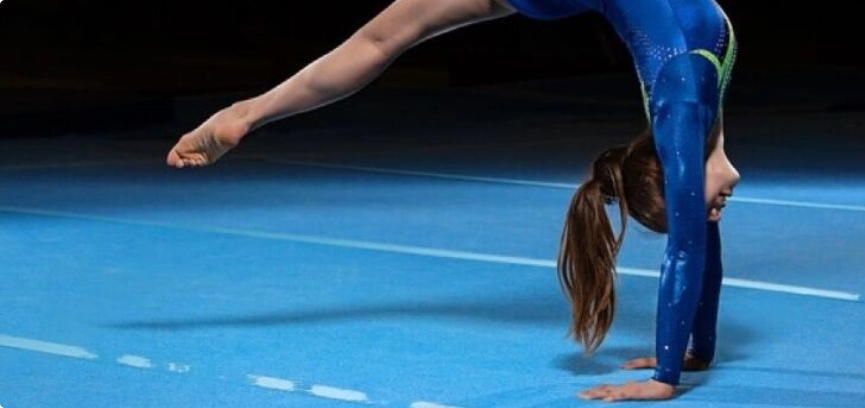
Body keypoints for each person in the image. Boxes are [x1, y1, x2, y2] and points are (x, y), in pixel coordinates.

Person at [166, 0, 740, 402]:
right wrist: (666, 376)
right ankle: (246, 113)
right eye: (692, 206)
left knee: (382, 38)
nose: (709, 211)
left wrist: (695, 353)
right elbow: (689, 242)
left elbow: (696, 234)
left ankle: (248, 111)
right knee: (381, 39)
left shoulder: (687, 116)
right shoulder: (682, 105)